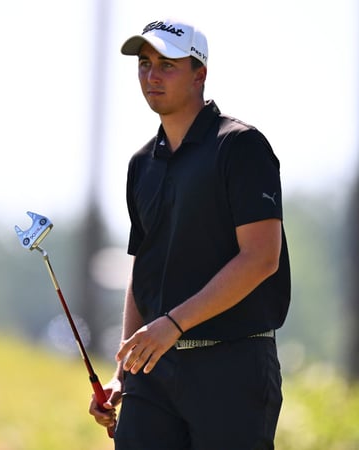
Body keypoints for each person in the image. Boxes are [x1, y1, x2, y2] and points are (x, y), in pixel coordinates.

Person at [88, 19, 290, 449]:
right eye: (144, 63)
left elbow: (261, 258)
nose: (152, 75)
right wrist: (125, 368)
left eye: (167, 64)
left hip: (233, 366)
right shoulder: (142, 164)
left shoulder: (240, 146)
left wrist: (173, 324)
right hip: (154, 374)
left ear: (200, 73)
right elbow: (143, 265)